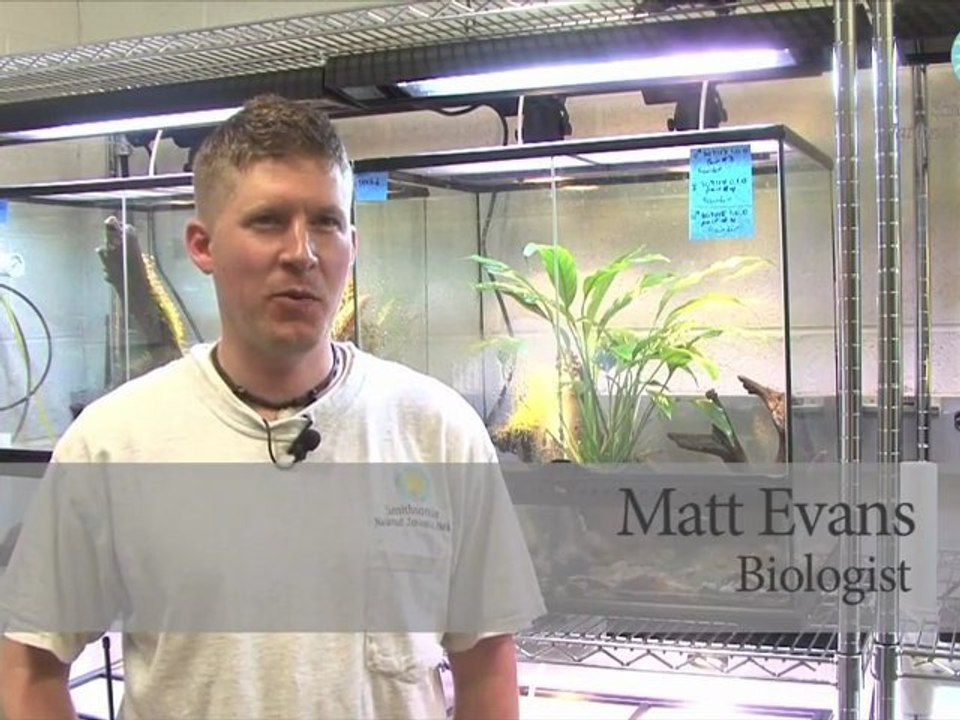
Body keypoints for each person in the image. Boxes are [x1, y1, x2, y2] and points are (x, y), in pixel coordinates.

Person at [0, 94, 546, 719]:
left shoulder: (437, 431)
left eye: (325, 222)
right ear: (202, 245)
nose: (302, 253)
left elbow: (487, 668)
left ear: (352, 242)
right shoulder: (114, 443)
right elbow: (29, 666)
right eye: (267, 221)